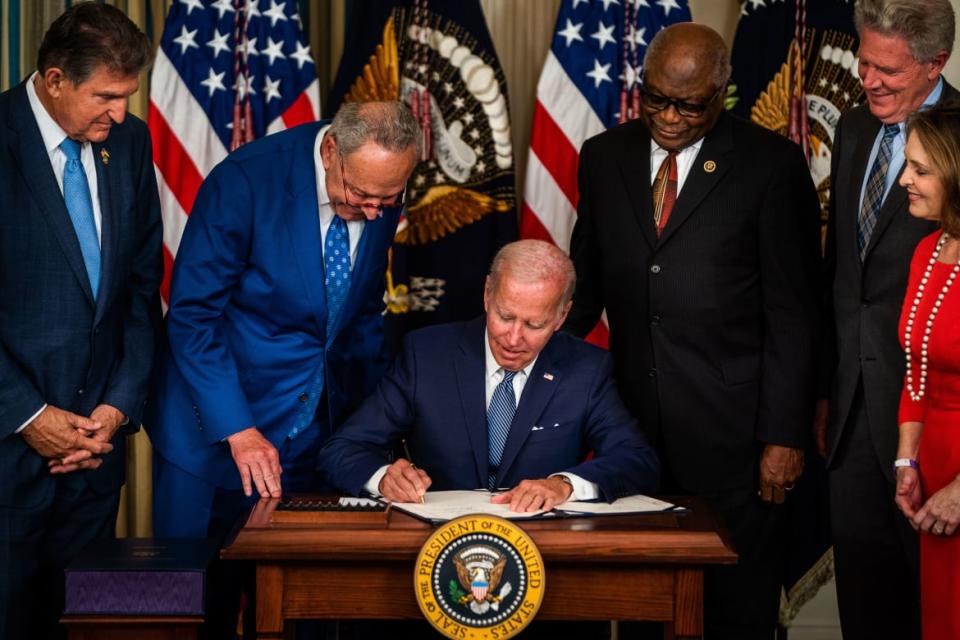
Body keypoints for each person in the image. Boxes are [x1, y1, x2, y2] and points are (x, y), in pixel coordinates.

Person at [565, 22, 822, 639]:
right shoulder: (604, 157)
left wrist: (785, 435)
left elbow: (795, 313)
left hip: (735, 436)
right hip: (630, 429)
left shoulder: (772, 166)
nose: (670, 117)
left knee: (736, 609)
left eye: (690, 104)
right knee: (645, 600)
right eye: (656, 99)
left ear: (722, 93)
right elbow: (585, 287)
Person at [146, 101, 419, 636]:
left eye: (387, 199)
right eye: (360, 194)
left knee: (302, 604)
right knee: (197, 608)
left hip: (315, 435)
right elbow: (193, 317)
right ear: (332, 150)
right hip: (215, 433)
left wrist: (374, 434)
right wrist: (238, 429)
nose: (372, 211)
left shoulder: (378, 190)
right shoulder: (245, 182)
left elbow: (362, 317)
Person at [0, 4, 161, 638]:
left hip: (95, 456)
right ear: (55, 78)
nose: (119, 113)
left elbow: (142, 293)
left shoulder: (131, 141)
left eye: (127, 96)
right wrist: (30, 417)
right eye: (106, 96)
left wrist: (116, 409)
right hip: (8, 455)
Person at [319, 239, 659, 512]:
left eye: (534, 325)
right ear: (487, 294)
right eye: (505, 316)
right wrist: (382, 478)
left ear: (562, 315)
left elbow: (637, 460)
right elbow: (343, 448)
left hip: (544, 550)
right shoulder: (426, 354)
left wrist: (564, 485)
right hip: (435, 545)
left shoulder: (586, 369)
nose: (513, 338)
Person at [819, 1, 957, 637]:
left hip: (938, 422)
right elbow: (843, 280)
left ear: (936, 63)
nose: (869, 80)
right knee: (867, 611)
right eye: (864, 62)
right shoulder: (851, 129)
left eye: (889, 70)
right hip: (853, 416)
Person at [893, 104, 960, 640]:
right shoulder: (926, 250)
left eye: (919, 170)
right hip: (933, 471)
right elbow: (915, 374)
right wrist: (906, 460)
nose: (904, 181)